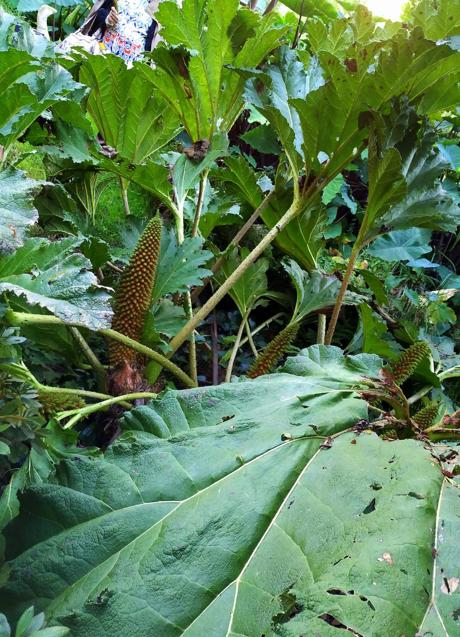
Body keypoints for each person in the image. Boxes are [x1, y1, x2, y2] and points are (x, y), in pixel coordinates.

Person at [83, 0, 161, 64]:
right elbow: (100, 15)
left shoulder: (160, 5)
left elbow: (153, 44)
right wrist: (108, 19)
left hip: (131, 66)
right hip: (102, 50)